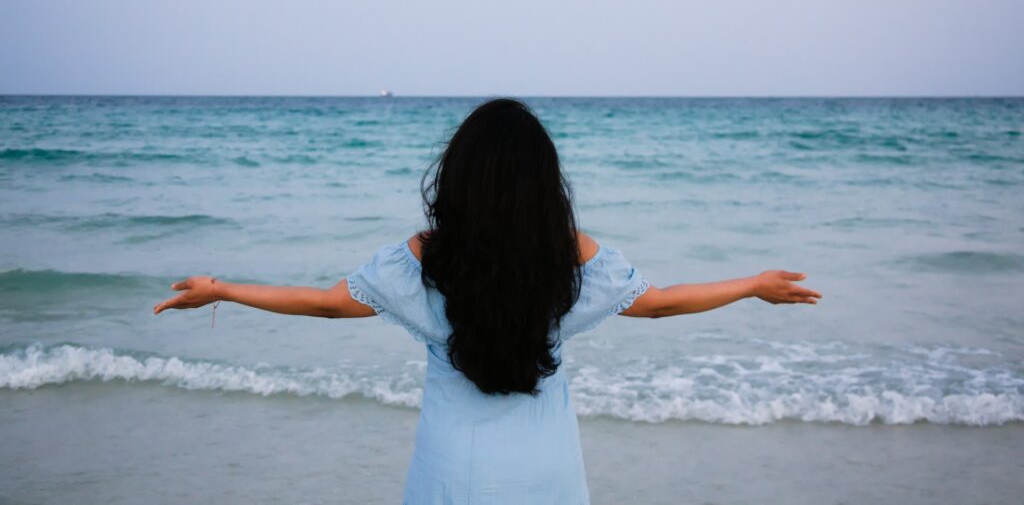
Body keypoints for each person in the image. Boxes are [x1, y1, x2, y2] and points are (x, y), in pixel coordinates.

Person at [153, 98, 821, 504]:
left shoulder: (428, 255)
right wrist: (752, 285)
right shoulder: (566, 254)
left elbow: (326, 304)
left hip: (452, 476)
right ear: (543, 181)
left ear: (460, 174)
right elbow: (662, 302)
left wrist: (224, 289)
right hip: (547, 476)